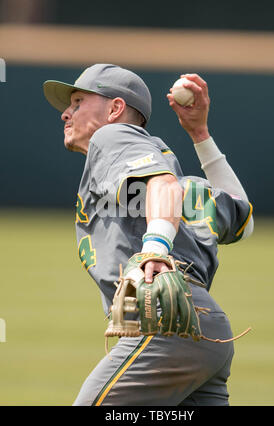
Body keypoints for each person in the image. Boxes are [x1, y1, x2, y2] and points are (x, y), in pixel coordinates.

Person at [43, 64, 253, 406]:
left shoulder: (112, 136)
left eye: (79, 101)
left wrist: (154, 248)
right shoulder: (189, 189)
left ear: (115, 109)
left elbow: (161, 184)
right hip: (208, 334)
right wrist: (200, 134)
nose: (66, 113)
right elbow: (242, 217)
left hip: (164, 324)